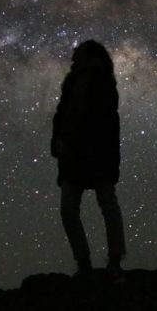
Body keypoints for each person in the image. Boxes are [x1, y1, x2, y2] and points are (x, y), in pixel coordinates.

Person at [51, 40, 126, 282]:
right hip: (73, 154)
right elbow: (62, 115)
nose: (72, 58)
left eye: (77, 54)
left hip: (96, 153)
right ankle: (84, 263)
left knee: (107, 205)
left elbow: (107, 122)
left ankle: (113, 263)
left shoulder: (103, 82)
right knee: (69, 209)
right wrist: (58, 141)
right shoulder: (72, 83)